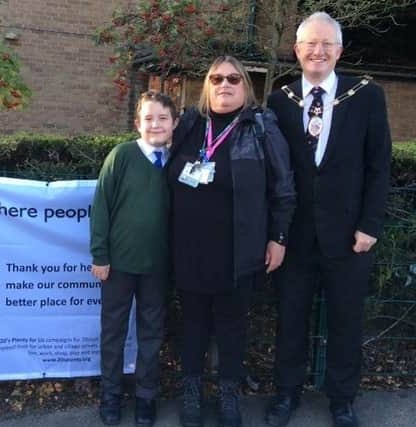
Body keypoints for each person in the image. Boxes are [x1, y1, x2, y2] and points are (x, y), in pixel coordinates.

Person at [265, 12, 392, 427]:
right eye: (309, 44)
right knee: (291, 318)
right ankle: (286, 394)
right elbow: (273, 172)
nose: (317, 51)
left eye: (326, 44)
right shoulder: (280, 99)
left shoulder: (366, 95)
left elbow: (379, 165)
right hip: (295, 236)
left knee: (345, 319)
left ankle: (342, 399)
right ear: (297, 50)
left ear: (339, 50)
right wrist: (275, 232)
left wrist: (370, 225)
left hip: (349, 235)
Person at [168, 56, 296, 427]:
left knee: (231, 326)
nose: (224, 84)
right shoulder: (188, 124)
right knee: (191, 324)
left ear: (246, 86)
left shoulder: (261, 127)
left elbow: (284, 188)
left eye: (233, 79)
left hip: (238, 251)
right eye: (216, 78)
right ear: (207, 84)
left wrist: (279, 237)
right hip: (188, 248)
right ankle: (191, 391)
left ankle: (228, 393)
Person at [90, 90, 179, 426]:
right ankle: (110, 394)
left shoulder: (178, 161)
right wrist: (100, 254)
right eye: (148, 118)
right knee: (112, 331)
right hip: (118, 265)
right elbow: (101, 207)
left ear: (174, 123)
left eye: (162, 118)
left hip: (157, 267)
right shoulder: (122, 155)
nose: (155, 124)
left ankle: (146, 396)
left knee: (151, 333)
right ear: (137, 123)